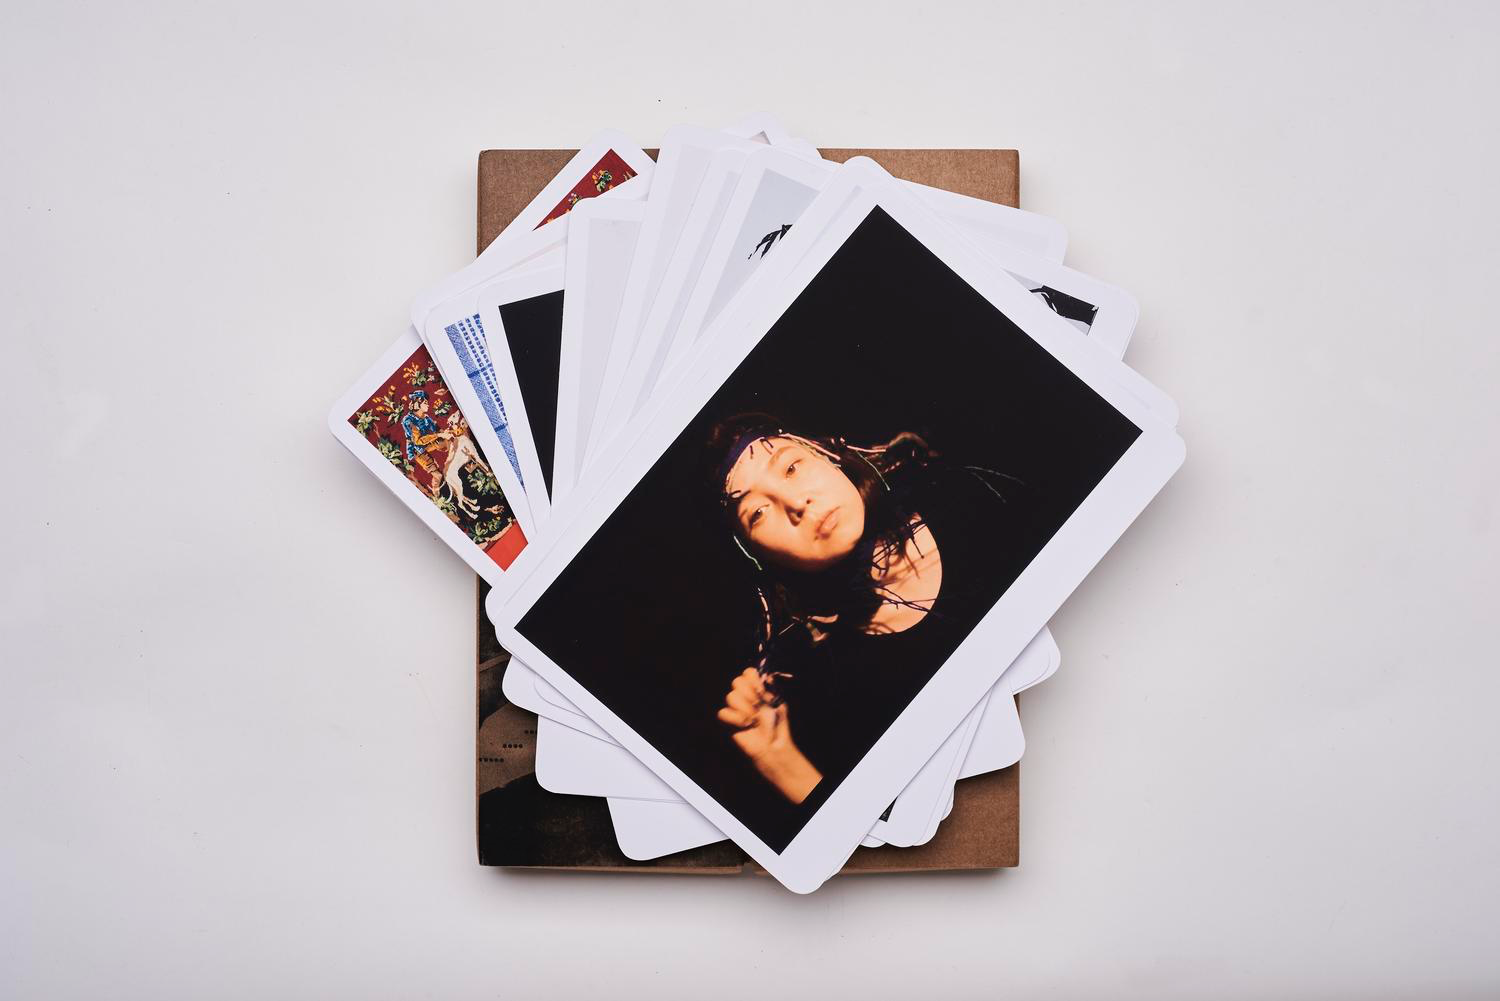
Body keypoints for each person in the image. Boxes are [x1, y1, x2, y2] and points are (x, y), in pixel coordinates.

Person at [706, 413, 1028, 806]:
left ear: (831, 458)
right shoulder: (824, 684)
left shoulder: (972, 497)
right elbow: (885, 828)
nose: (795, 502)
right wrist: (777, 758)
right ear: (754, 554)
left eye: (791, 467)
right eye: (757, 512)